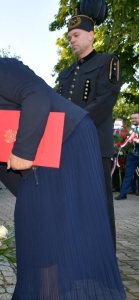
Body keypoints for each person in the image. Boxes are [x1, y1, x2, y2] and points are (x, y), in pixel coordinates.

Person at [0, 42, 126, 299]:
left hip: (66, 143)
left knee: (44, 229)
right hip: (45, 156)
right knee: (44, 231)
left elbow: (35, 93)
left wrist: (23, 150)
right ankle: (52, 292)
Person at [57, 3, 122, 248]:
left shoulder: (108, 62)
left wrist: (70, 125)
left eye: (76, 35)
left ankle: (103, 258)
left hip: (94, 144)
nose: (71, 40)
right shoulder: (65, 73)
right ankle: (76, 253)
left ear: (91, 35)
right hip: (67, 147)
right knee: (72, 202)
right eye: (69, 37)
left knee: (98, 201)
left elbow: (105, 100)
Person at [115, 112, 139, 200]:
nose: (133, 120)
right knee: (128, 174)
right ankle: (123, 194)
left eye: (136, 118)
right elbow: (121, 139)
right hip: (131, 155)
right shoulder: (128, 129)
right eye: (132, 118)